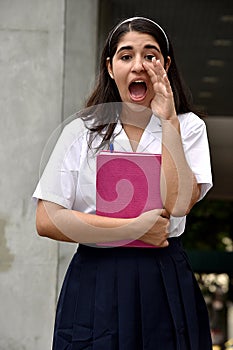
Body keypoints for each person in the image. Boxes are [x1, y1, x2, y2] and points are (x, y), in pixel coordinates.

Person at [33, 16, 213, 349]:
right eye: (126, 55)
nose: (139, 65)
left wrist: (168, 121)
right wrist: (130, 229)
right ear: (110, 66)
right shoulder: (81, 131)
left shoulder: (188, 127)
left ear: (167, 64)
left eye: (151, 55)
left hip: (163, 274)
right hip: (96, 274)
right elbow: (46, 219)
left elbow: (179, 203)